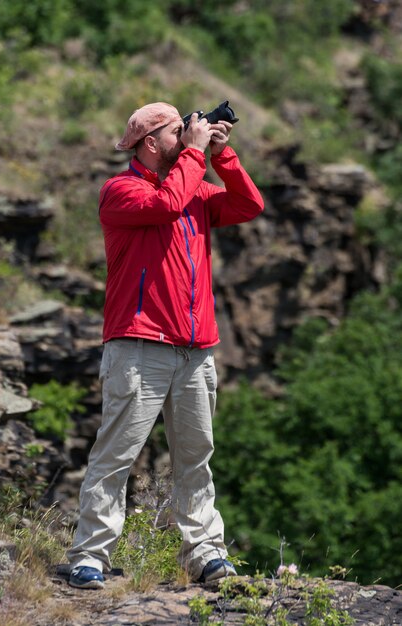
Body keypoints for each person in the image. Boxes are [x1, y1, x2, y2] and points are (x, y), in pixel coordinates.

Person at [67, 102, 264, 589]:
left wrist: (222, 156)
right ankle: (90, 555)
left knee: (196, 457)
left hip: (195, 348)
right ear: (150, 142)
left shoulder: (193, 186)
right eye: (180, 130)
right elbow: (166, 205)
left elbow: (248, 205)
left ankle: (205, 553)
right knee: (116, 455)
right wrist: (196, 155)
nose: (189, 133)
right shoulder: (121, 191)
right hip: (139, 345)